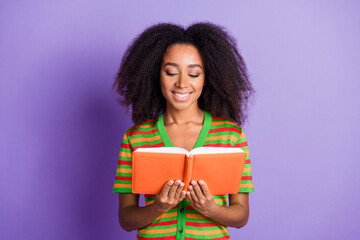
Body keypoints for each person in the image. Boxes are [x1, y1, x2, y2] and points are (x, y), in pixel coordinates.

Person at [112, 22, 254, 240]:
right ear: (155, 74)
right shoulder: (136, 138)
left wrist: (210, 209)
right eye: (171, 72)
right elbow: (126, 220)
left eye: (194, 74)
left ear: (208, 78)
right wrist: (158, 207)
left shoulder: (231, 136)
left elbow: (241, 216)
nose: (182, 83)